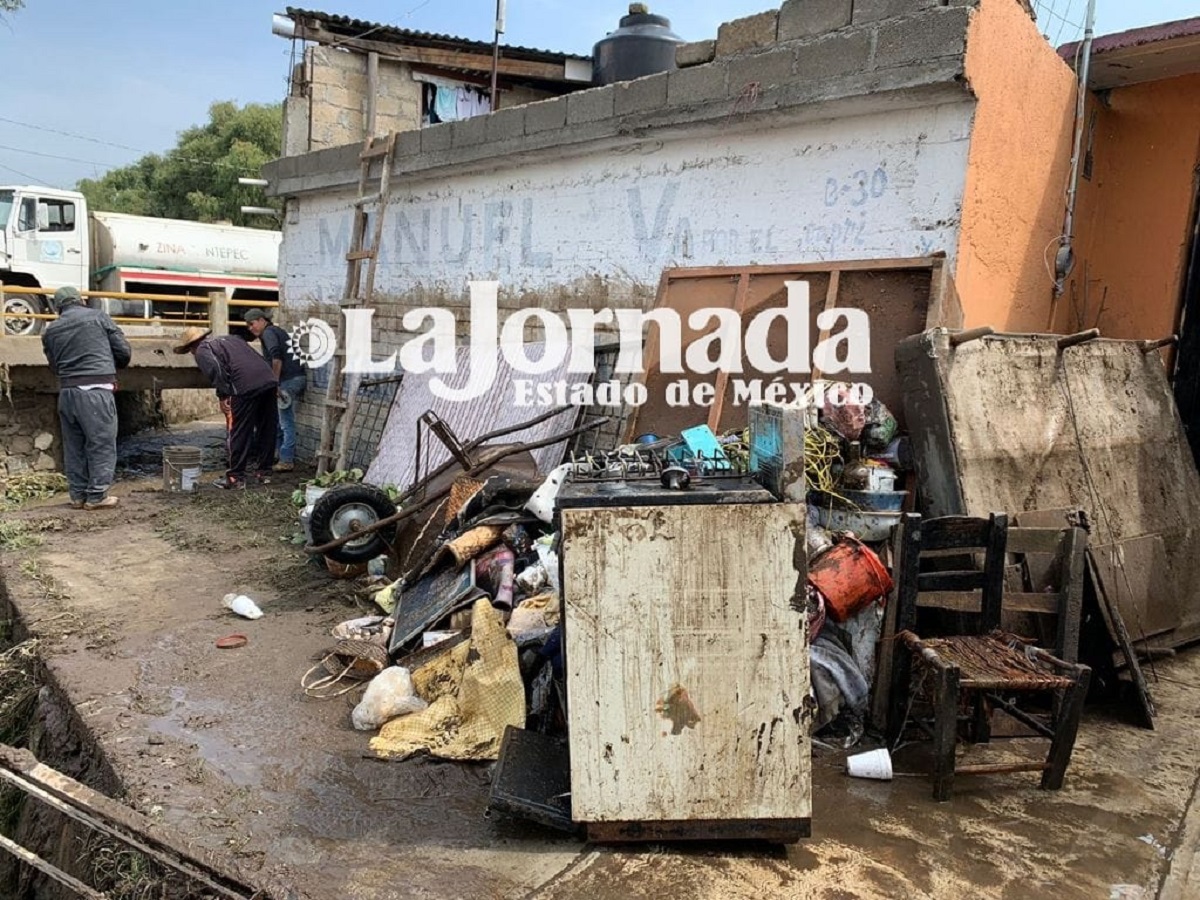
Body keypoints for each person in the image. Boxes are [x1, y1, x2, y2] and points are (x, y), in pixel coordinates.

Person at [40, 286, 130, 510]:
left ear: (57, 307)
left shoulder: (50, 331)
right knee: (101, 444)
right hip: (95, 391)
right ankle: (98, 495)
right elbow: (123, 352)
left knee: (74, 446)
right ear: (81, 301)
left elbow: (54, 365)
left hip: (67, 393)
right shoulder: (98, 317)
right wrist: (109, 366)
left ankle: (78, 495)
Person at [172, 326, 278, 489]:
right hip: (268, 380)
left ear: (190, 347)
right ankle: (264, 473)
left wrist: (223, 395)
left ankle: (236, 477)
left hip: (244, 385)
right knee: (266, 428)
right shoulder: (232, 339)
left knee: (239, 430)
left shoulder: (202, 350)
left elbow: (216, 370)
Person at [242, 308, 306, 472]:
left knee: (285, 422)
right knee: (276, 421)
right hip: (294, 378)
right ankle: (276, 454)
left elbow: (276, 359)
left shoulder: (269, 334)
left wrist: (274, 384)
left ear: (262, 320)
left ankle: (286, 459)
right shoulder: (274, 331)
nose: (251, 328)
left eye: (252, 324)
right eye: (248, 326)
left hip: (288, 380)